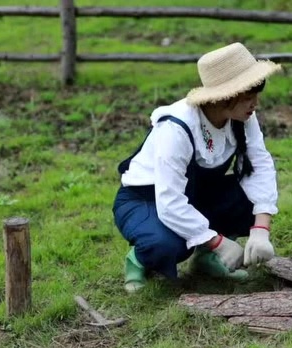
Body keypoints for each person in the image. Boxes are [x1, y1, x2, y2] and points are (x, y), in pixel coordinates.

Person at [113, 42, 281, 292]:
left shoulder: (241, 116)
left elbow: (259, 164)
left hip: (196, 193)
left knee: (248, 198)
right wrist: (218, 241)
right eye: (248, 97)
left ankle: (206, 260)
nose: (255, 104)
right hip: (147, 200)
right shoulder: (177, 127)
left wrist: (261, 229)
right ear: (225, 96)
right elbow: (169, 201)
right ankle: (138, 259)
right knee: (170, 245)